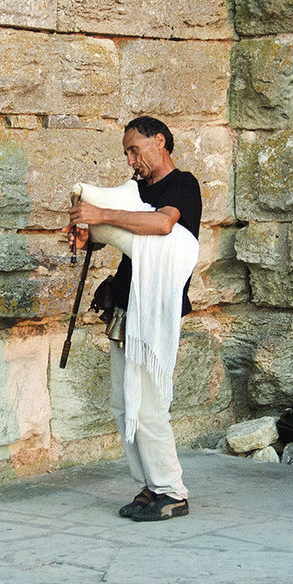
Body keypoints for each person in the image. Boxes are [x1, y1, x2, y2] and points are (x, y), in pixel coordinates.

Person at [67, 116, 202, 522]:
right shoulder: (137, 190)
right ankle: (150, 484)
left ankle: (172, 491)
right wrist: (87, 234)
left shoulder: (183, 185)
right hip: (126, 305)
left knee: (149, 407)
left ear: (159, 141)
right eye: (126, 153)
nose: (130, 160)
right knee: (123, 403)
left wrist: (101, 214)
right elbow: (124, 236)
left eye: (134, 150)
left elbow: (161, 224)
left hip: (156, 308)